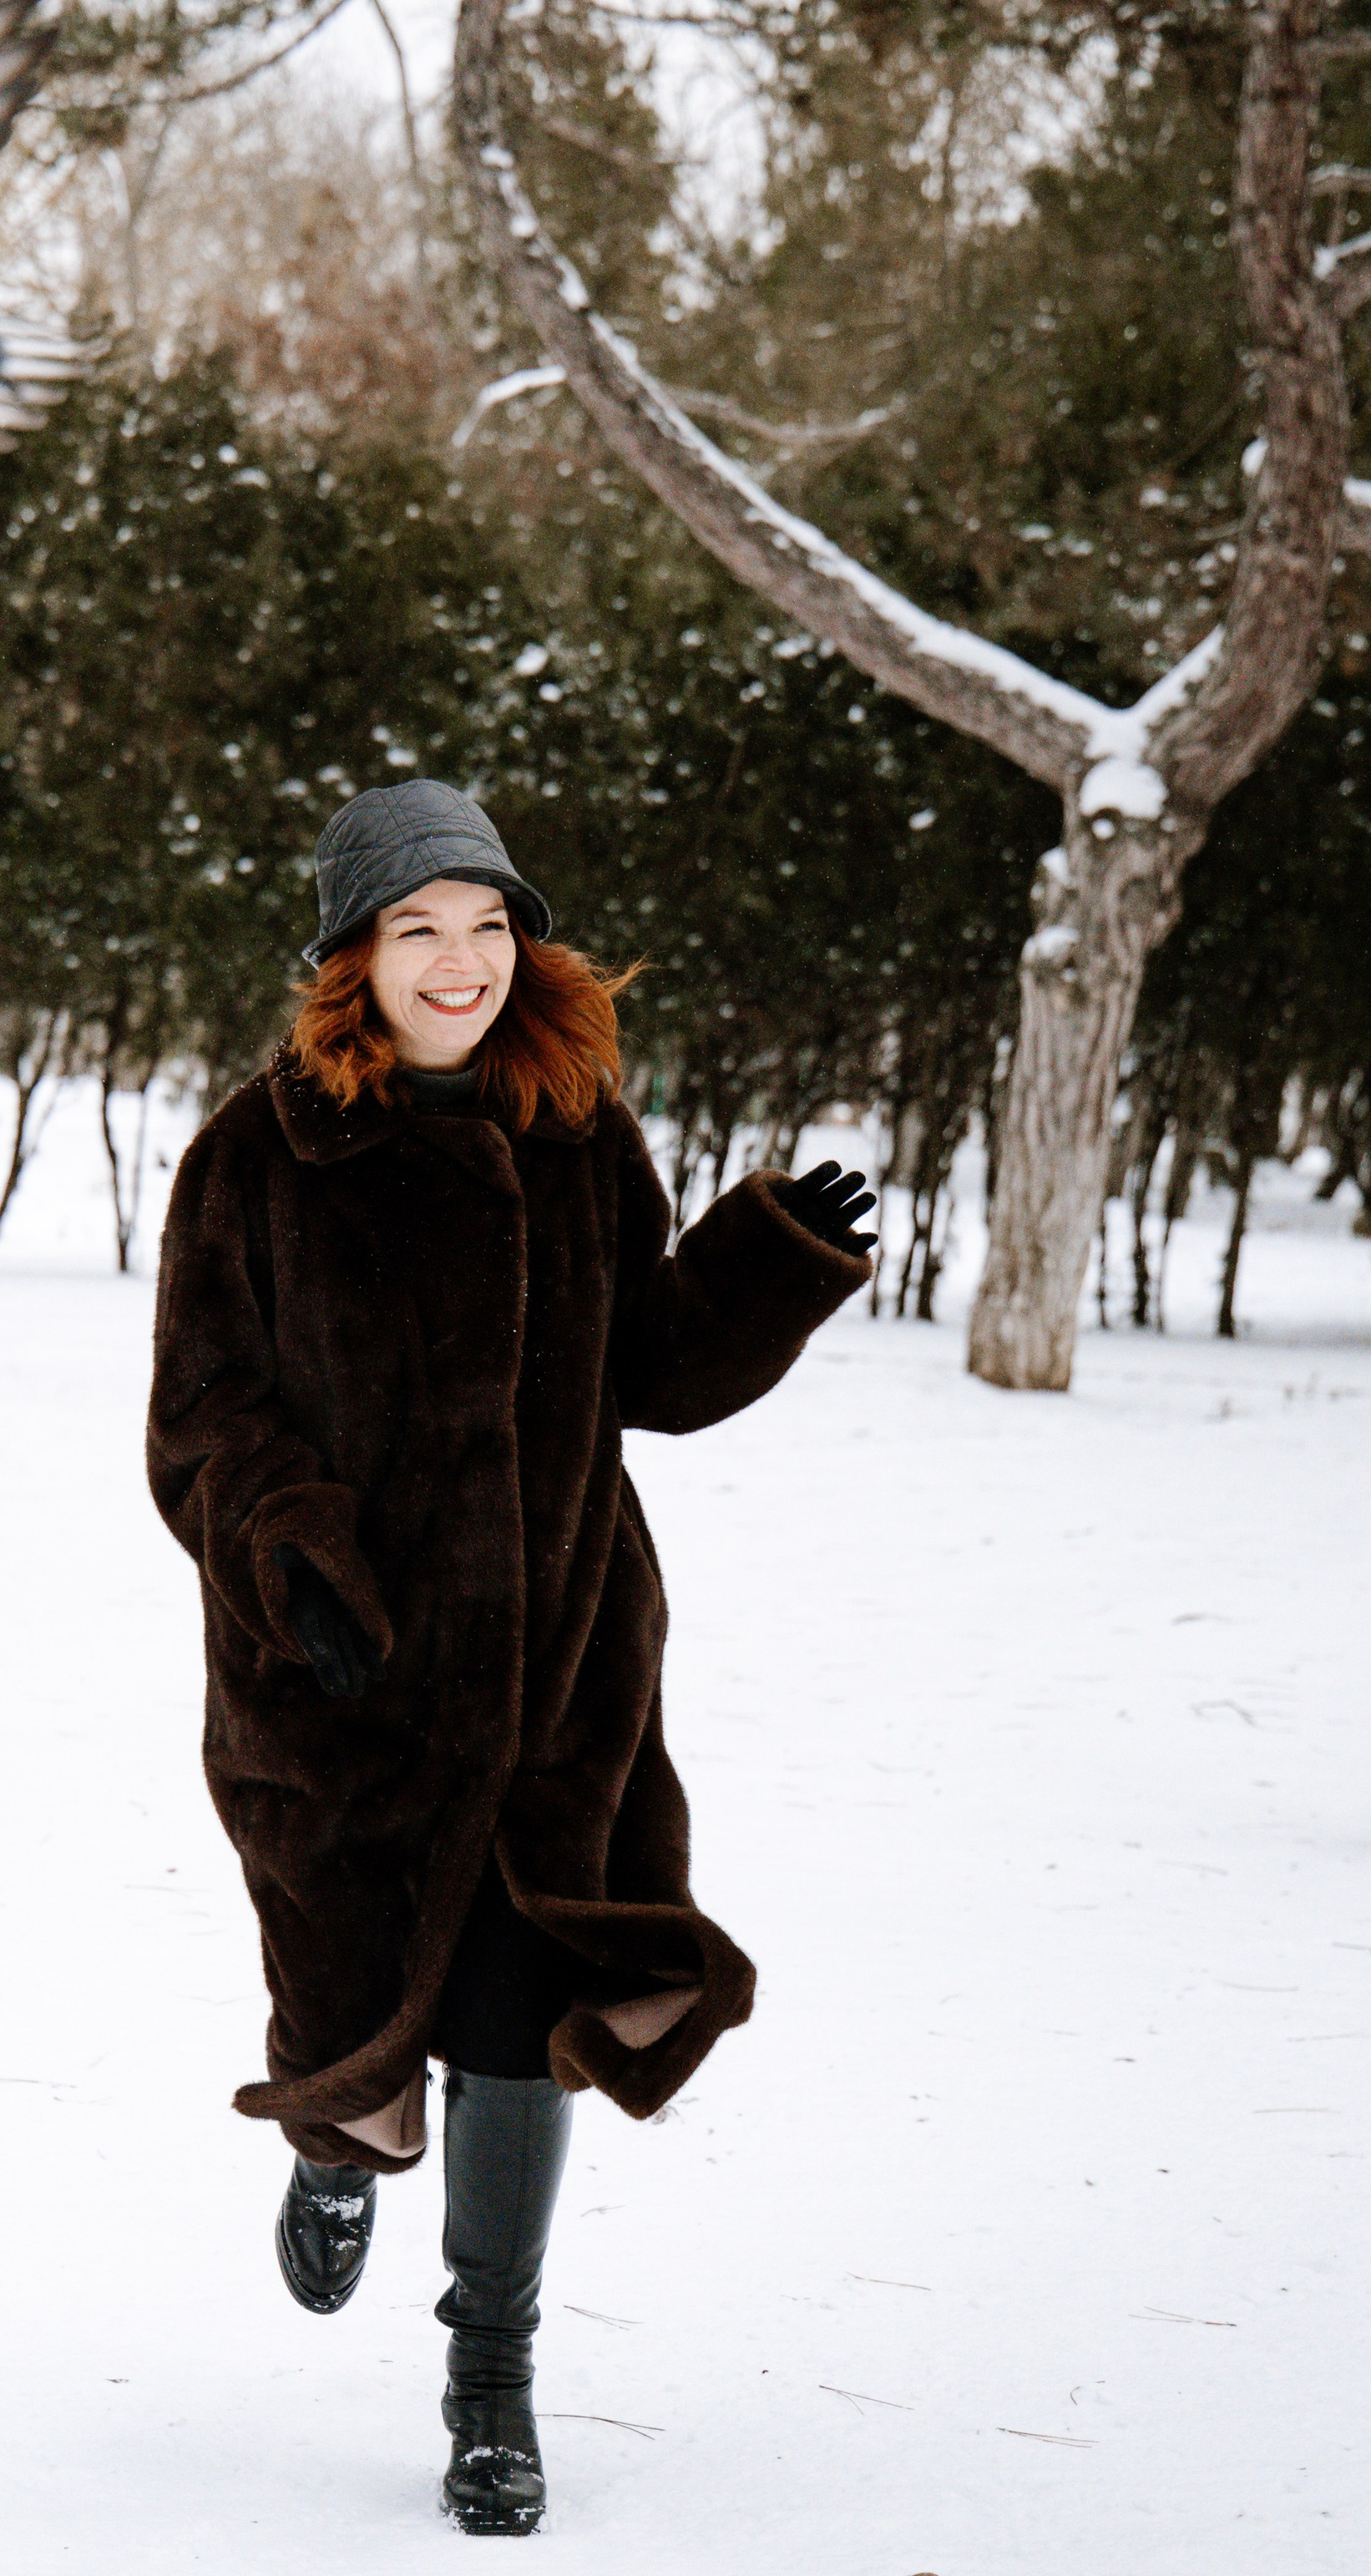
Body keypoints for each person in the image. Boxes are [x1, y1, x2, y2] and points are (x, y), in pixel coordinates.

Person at [146, 781, 875, 2535]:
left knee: (510, 2022)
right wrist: (287, 1556)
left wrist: (770, 1260)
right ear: (351, 955)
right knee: (346, 2004)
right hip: (338, 1684)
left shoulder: (574, 1126)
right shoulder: (257, 1154)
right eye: (417, 929)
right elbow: (202, 1417)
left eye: (484, 925)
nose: (459, 961)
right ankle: (332, 2143)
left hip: (557, 1669)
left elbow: (658, 1370)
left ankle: (490, 2380)